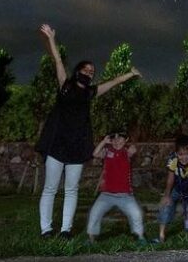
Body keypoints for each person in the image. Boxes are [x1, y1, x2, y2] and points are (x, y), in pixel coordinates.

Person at [35, 24, 140, 238]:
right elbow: (57, 61)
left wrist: (130, 74)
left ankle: (66, 229)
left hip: (77, 144)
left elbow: (112, 83)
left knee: (72, 189)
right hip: (57, 142)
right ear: (78, 71)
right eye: (86, 69)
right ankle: (46, 229)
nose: (89, 73)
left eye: (92, 71)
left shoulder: (91, 92)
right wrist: (52, 39)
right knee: (50, 188)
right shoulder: (65, 85)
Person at [86, 130, 146, 243]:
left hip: (125, 195)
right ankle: (91, 239)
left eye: (120, 138)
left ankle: (140, 237)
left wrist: (130, 148)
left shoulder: (127, 152)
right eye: (114, 138)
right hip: (106, 194)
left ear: (125, 140)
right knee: (94, 213)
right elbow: (95, 154)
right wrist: (104, 142)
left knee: (136, 214)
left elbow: (133, 151)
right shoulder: (107, 151)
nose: (116, 141)